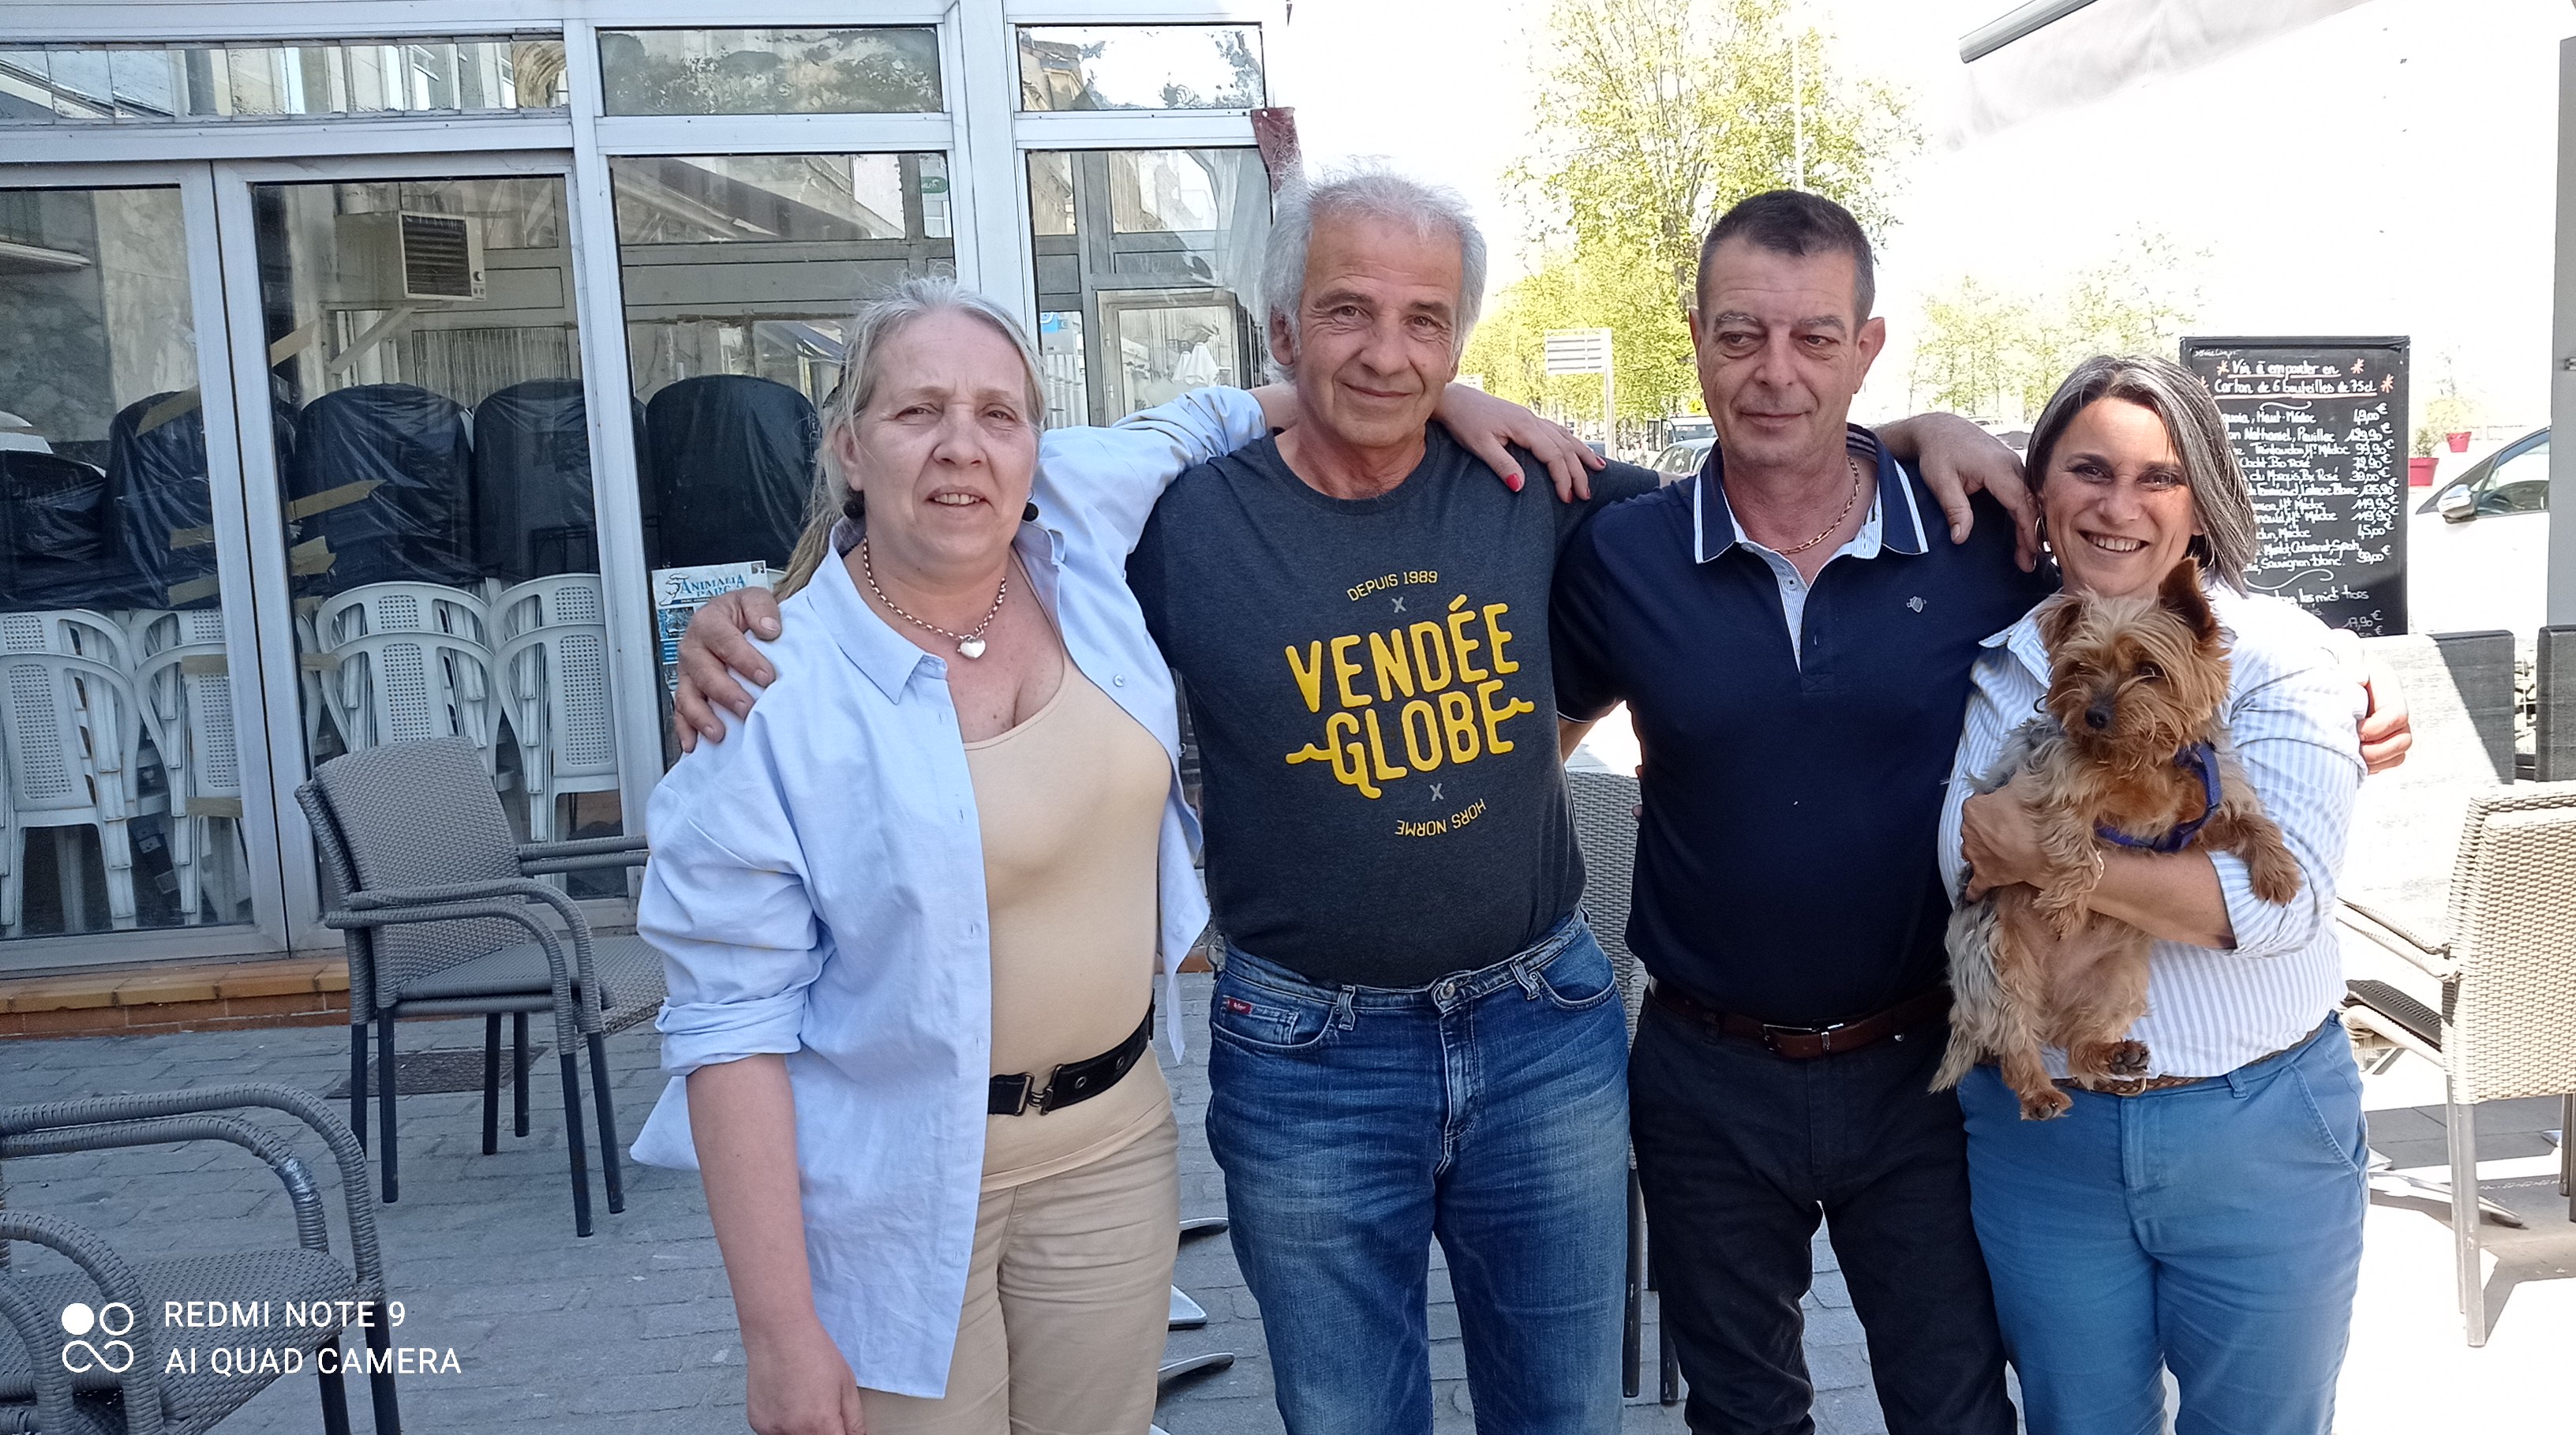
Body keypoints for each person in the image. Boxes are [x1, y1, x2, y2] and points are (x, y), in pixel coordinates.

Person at [664, 167, 2026, 1435]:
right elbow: (957, 527)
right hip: (1304, 1058)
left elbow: (1762, 475)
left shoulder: (1540, 493)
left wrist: (1915, 435)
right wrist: (771, 609)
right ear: (1281, 332)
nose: (1386, 352)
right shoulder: (1174, 525)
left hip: (1542, 1033)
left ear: (1458, 344)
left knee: (1565, 1412)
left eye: (1425, 322)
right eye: (1347, 312)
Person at [629, 275, 1582, 1435]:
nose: (962, 447)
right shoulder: (767, 692)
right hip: (893, 1179)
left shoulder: (1074, 527)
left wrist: (1441, 401)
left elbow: (1227, 413)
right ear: (848, 446)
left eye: (998, 413)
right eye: (917, 412)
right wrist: (779, 1332)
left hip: (1114, 1151)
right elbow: (729, 1027)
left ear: (1039, 442)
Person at [1549, 193, 2411, 1435]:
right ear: (1696, 338)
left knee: (1957, 1410)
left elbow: (2180, 602)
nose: (1777, 371)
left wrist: (2337, 674)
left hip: (1926, 1066)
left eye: (1816, 337)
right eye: (1741, 335)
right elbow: (1534, 733)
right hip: (1712, 1069)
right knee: (1743, 1412)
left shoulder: (1974, 551)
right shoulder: (1635, 555)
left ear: (1868, 347)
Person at [1941, 354, 2372, 1435]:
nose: (2119, 506)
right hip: (2046, 1143)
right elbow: (1962, 863)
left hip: (2255, 1128)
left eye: (2159, 477)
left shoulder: (2281, 658)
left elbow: (2274, 908)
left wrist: (2052, 859)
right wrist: (1917, 428)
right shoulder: (1988, 654)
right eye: (2089, 470)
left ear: (2203, 496)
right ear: (2038, 486)